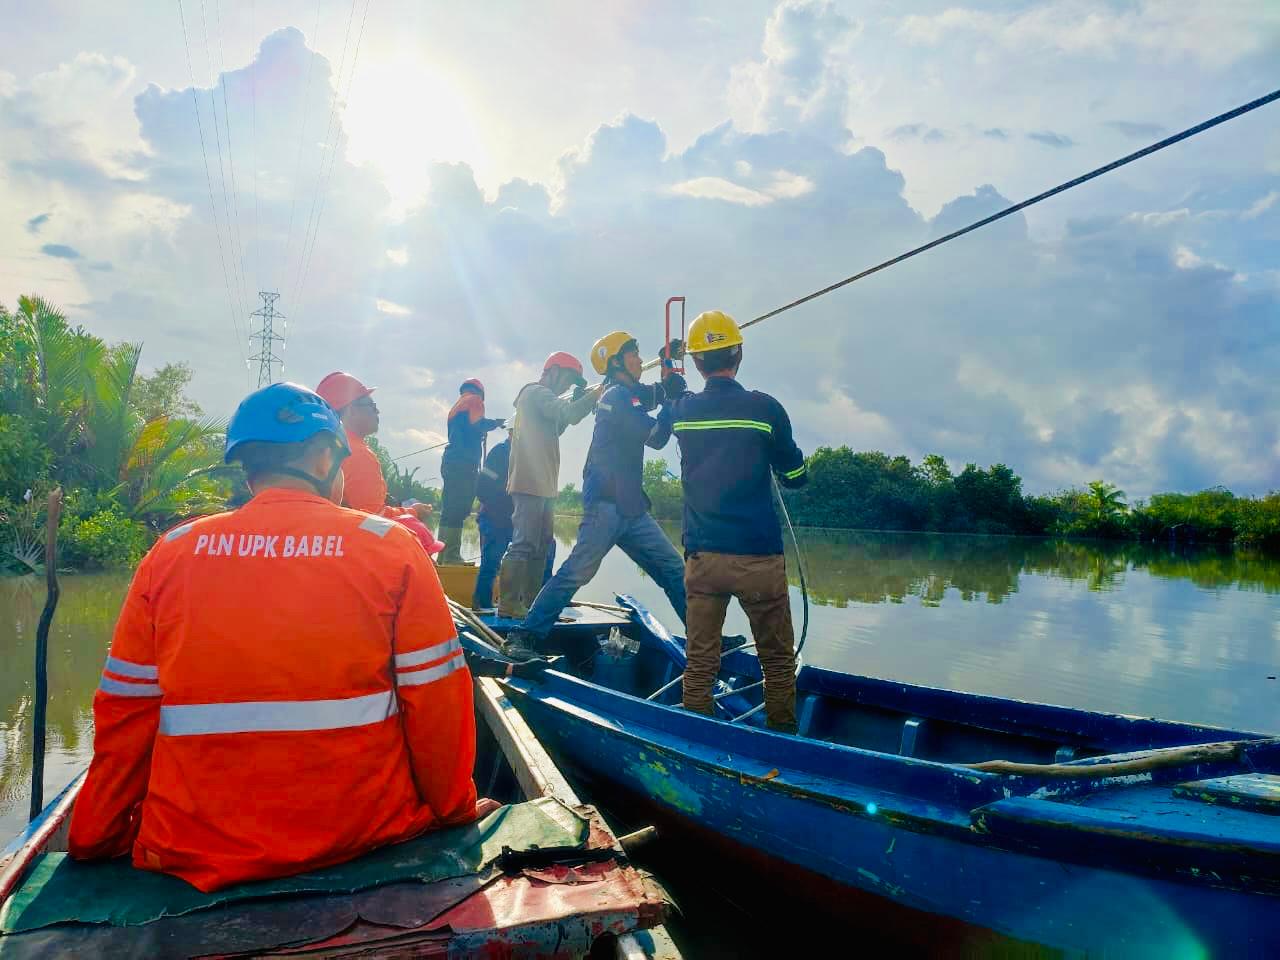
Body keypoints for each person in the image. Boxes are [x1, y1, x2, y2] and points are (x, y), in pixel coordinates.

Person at [68, 382, 485, 892]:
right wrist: (453, 810)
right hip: (363, 837)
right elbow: (435, 704)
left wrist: (94, 836)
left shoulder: (170, 553)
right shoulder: (392, 548)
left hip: (191, 848)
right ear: (323, 456)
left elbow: (126, 717)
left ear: (247, 465)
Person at [652, 311, 808, 733]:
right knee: (776, 660)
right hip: (758, 558)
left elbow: (653, 437)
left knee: (701, 660)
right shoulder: (765, 408)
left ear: (698, 364)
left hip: (703, 559)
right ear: (738, 353)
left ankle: (696, 739)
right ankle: (783, 742)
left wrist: (671, 390)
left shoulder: (681, 410)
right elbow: (795, 477)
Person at [503, 332, 687, 658]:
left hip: (631, 507)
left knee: (673, 569)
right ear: (615, 362)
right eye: (633, 354)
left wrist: (669, 364)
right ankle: (524, 636)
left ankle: (707, 641)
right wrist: (671, 401)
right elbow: (658, 436)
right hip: (606, 506)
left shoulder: (627, 394)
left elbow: (652, 394)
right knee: (577, 571)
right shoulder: (615, 398)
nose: (638, 359)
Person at [496, 352, 598, 619]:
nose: (567, 385)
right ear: (553, 371)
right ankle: (508, 604)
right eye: (567, 378)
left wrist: (579, 401)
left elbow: (561, 424)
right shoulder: (536, 392)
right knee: (523, 543)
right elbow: (571, 414)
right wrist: (595, 396)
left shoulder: (543, 401)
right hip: (530, 482)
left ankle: (530, 603)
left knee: (541, 545)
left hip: (544, 484)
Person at [315, 371, 442, 555]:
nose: (377, 411)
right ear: (351, 410)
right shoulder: (358, 454)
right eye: (371, 405)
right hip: (354, 552)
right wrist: (412, 513)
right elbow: (374, 519)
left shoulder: (322, 449)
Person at [472, 431, 555, 609]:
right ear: (512, 432)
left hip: (520, 520)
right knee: (491, 564)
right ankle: (482, 606)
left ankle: (539, 602)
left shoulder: (531, 457)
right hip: (496, 519)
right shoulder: (500, 452)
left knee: (546, 550)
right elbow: (482, 489)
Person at [438, 378, 505, 564]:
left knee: (449, 509)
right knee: (458, 509)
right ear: (480, 392)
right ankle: (451, 556)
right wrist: (496, 423)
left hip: (451, 461)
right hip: (464, 463)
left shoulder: (457, 406)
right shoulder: (475, 400)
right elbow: (478, 424)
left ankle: (443, 555)